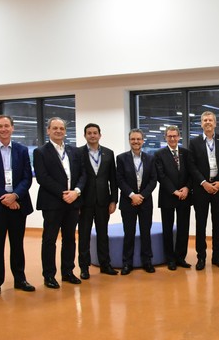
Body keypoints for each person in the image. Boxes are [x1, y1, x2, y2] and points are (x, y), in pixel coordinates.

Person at [0, 115, 35, 299]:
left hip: (18, 205)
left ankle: (20, 279)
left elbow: (27, 177)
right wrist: (4, 197)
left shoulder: (22, 150)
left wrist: (14, 196)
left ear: (12, 128)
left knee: (17, 245)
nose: (3, 129)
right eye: (0, 126)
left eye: (6, 126)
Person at [33, 117, 87, 289]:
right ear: (48, 130)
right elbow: (42, 177)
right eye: (55, 128)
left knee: (70, 239)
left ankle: (68, 272)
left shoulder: (74, 151)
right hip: (52, 203)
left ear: (65, 131)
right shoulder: (40, 152)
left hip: (73, 201)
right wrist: (64, 193)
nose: (58, 131)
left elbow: (83, 174)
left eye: (61, 128)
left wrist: (76, 192)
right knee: (49, 240)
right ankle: (49, 275)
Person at [188, 111, 219, 270]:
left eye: (210, 120)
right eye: (205, 120)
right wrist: (203, 182)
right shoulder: (194, 142)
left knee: (217, 223)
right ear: (201, 124)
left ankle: (217, 257)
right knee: (201, 224)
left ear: (215, 123)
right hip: (201, 189)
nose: (207, 122)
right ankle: (201, 257)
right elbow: (192, 166)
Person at [78, 123, 119, 278]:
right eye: (89, 133)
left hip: (103, 201)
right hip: (84, 202)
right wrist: (77, 203)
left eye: (95, 133)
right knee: (84, 235)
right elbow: (76, 178)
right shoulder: (78, 153)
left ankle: (105, 264)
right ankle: (84, 267)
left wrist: (113, 200)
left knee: (103, 234)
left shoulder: (108, 153)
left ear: (100, 135)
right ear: (85, 135)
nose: (92, 135)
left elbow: (113, 179)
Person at [116, 129, 157, 274]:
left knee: (146, 232)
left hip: (145, 202)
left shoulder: (150, 158)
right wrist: (132, 195)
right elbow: (119, 179)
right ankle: (127, 263)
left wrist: (142, 196)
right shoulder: (121, 158)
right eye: (133, 139)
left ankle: (147, 261)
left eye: (138, 139)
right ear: (129, 141)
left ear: (143, 141)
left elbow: (153, 180)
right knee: (129, 233)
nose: (136, 142)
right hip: (128, 202)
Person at [155, 125, 192, 270]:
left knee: (183, 228)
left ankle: (180, 257)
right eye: (169, 136)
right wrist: (174, 191)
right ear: (165, 137)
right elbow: (161, 176)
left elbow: (191, 173)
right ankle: (170, 259)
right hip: (168, 196)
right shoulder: (159, 154)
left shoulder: (186, 153)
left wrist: (187, 188)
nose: (172, 138)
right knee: (168, 229)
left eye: (174, 136)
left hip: (185, 196)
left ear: (179, 137)